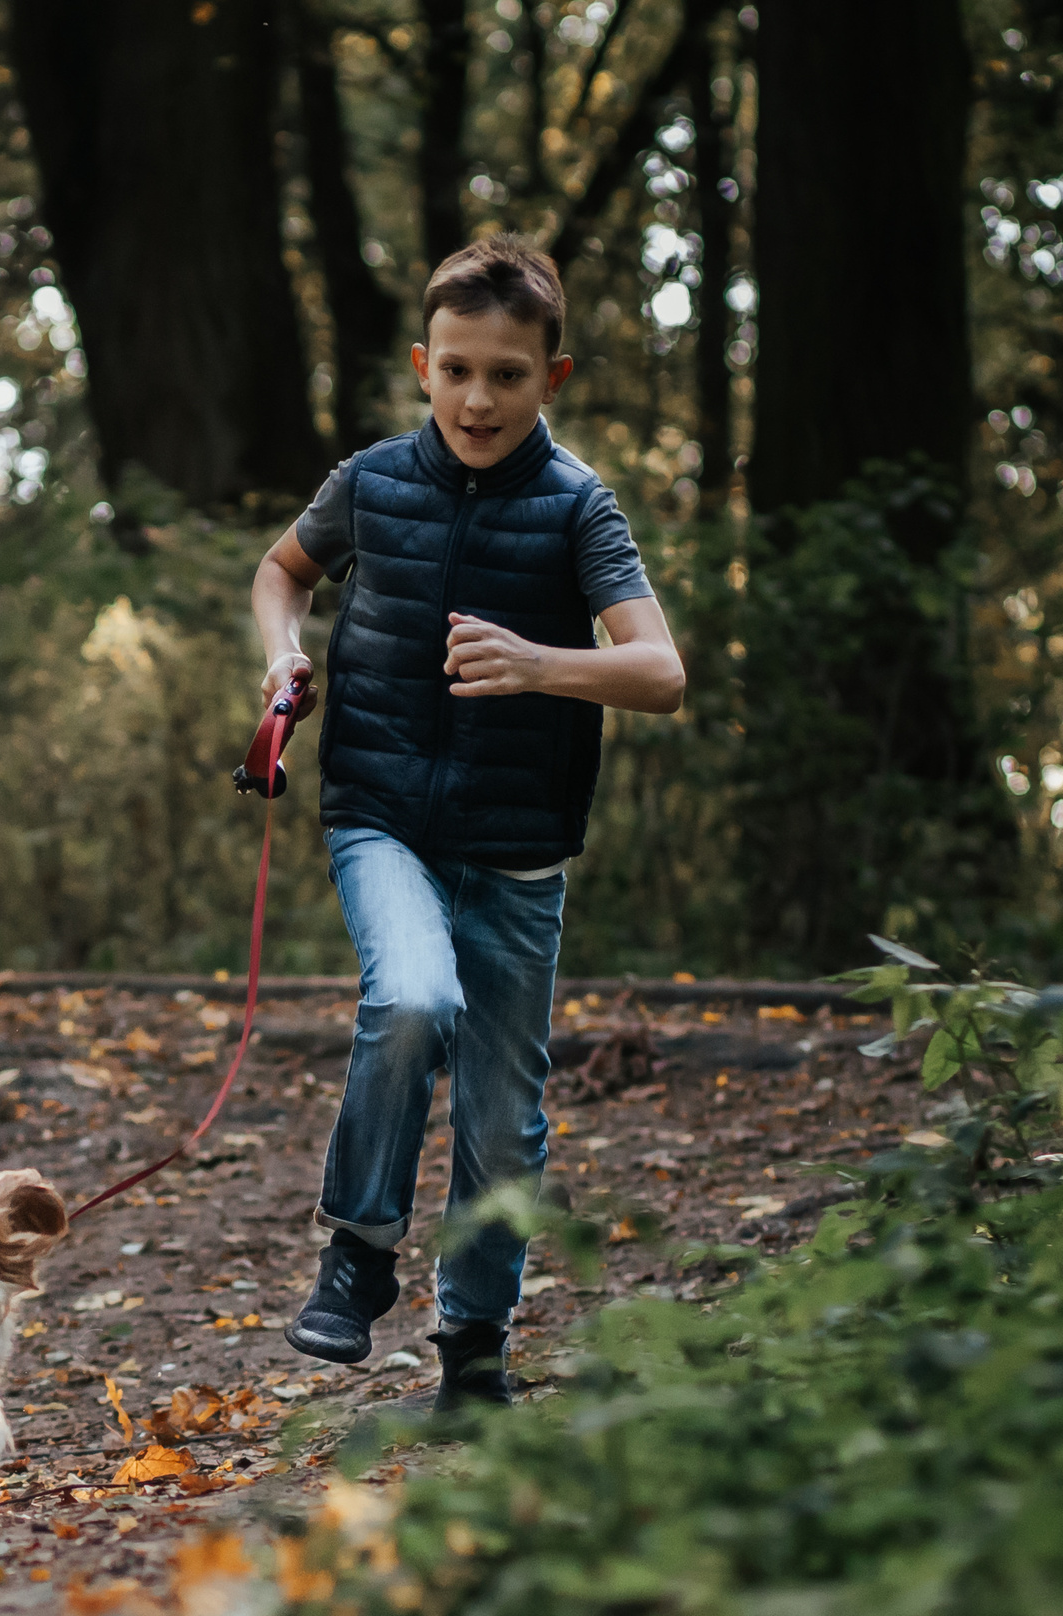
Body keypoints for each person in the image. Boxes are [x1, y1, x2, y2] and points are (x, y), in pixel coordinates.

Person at [251, 232, 684, 1412]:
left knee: (504, 1118)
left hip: (520, 848)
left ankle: (474, 1350)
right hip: (380, 816)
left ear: (554, 375)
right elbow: (279, 572)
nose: (477, 397)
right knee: (411, 998)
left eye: (505, 373)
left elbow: (660, 673)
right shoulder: (371, 482)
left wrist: (541, 664)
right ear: (421, 364)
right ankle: (356, 1252)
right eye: (455, 369)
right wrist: (283, 659)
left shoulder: (576, 506)